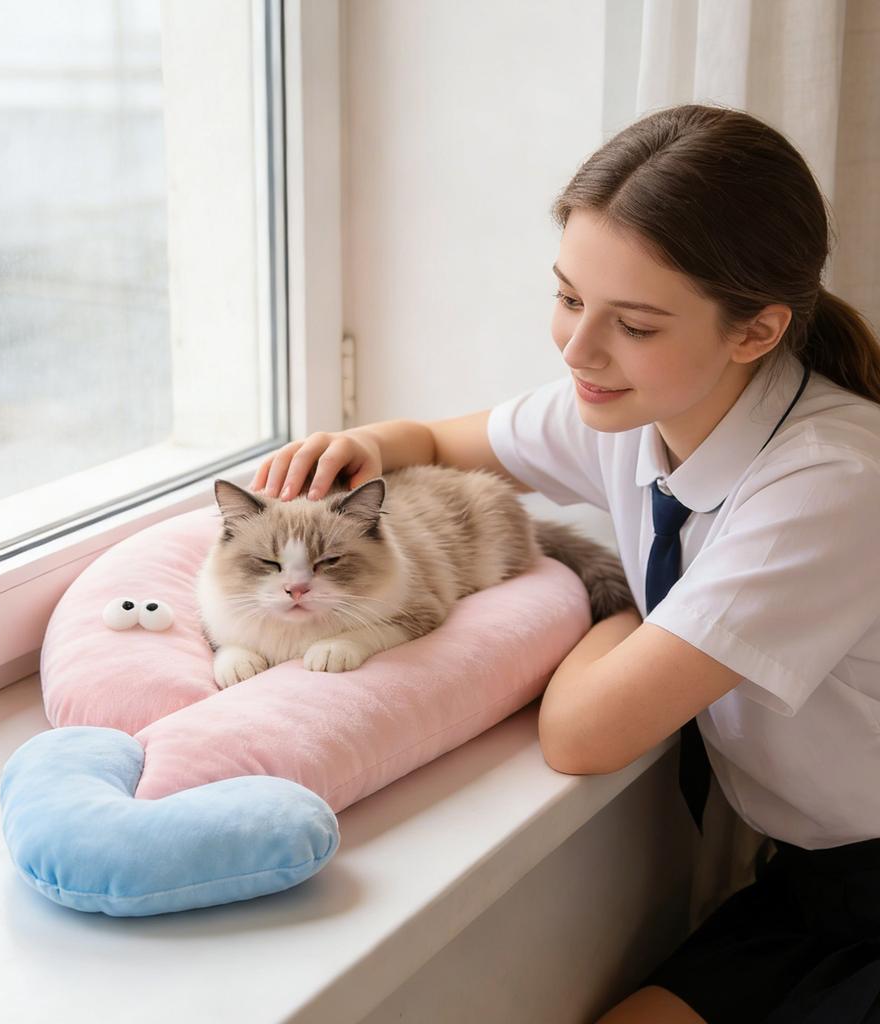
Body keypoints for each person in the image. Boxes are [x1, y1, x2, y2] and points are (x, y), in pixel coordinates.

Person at [248, 103, 880, 1024]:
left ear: (755, 332)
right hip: (812, 891)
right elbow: (434, 440)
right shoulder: (633, 409)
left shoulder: (832, 484)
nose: (579, 351)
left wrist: (618, 612)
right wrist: (358, 448)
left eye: (635, 324)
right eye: (570, 298)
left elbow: (584, 734)